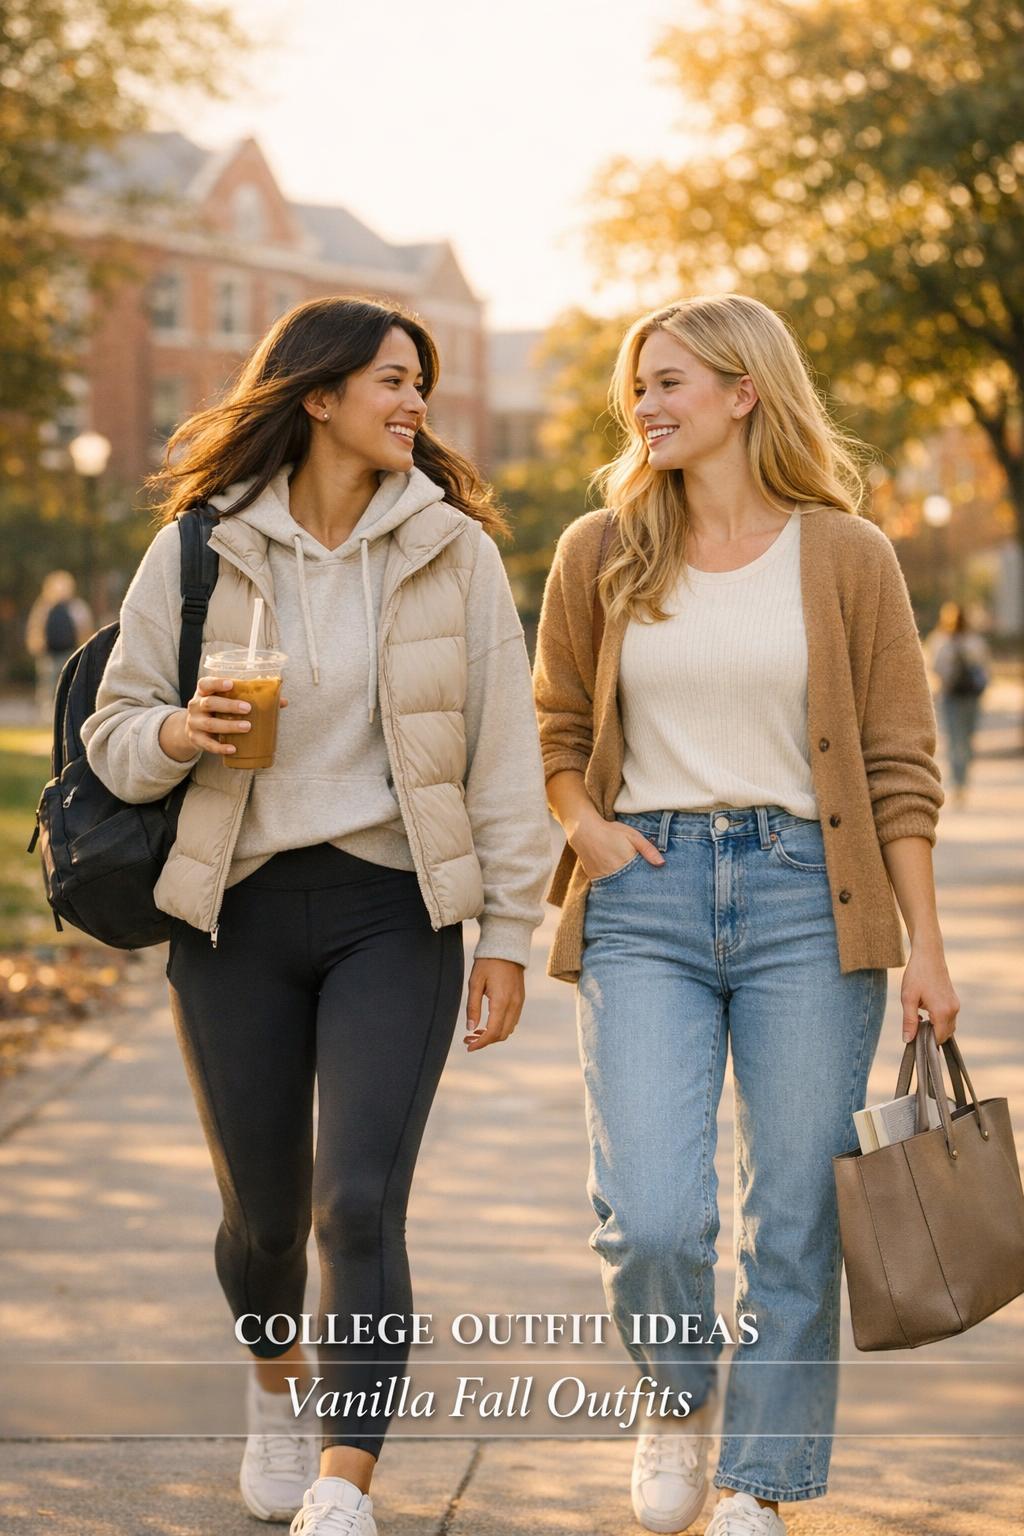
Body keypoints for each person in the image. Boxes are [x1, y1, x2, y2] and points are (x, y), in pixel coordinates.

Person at [82, 296, 551, 1535]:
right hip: (230, 910)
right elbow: (114, 735)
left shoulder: (456, 550)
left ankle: (346, 1479)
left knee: (359, 1201)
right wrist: (181, 728)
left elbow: (503, 757)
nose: (414, 405)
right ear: (318, 396)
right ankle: (277, 1377)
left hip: (393, 909)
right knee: (264, 1225)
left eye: (423, 386)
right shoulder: (199, 546)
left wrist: (507, 932)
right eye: (393, 381)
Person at [533, 295, 959, 1536]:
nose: (646, 406)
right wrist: (584, 828)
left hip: (805, 901)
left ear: (743, 393)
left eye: (669, 382)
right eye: (638, 388)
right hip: (645, 895)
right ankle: (675, 1398)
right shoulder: (598, 549)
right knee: (654, 1210)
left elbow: (897, 764)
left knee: (796, 1209)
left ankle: (758, 1482)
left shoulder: (846, 553)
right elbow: (558, 730)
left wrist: (925, 945)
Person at [926, 600, 991, 806]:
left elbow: (933, 668)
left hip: (951, 696)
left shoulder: (939, 641)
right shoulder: (975, 641)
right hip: (970, 697)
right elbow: (985, 669)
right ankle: (961, 780)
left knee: (956, 739)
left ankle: (958, 781)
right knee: (966, 739)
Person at [25, 569, 94, 718]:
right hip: (49, 654)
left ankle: (66, 714)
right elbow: (36, 628)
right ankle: (48, 715)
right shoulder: (44, 607)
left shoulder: (76, 607)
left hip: (70, 652)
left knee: (69, 685)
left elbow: (85, 629)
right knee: (48, 685)